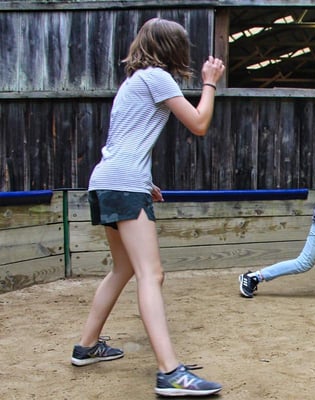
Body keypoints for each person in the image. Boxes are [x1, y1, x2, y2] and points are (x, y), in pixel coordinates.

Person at [71, 18, 225, 397]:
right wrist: (209, 82)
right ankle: (170, 372)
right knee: (151, 275)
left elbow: (126, 140)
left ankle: (86, 347)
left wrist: (144, 182)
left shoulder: (131, 83)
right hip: (123, 184)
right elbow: (199, 123)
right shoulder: (157, 78)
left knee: (123, 268)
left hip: (108, 179)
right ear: (173, 48)